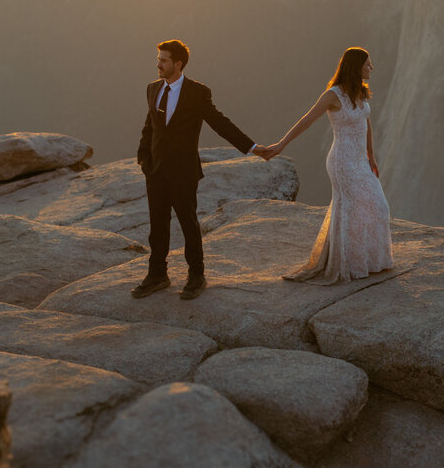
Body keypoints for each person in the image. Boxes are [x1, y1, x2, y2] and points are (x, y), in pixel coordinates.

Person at [133, 39, 261, 300]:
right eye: (158, 58)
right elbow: (150, 127)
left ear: (177, 64)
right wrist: (143, 159)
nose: (158, 64)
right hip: (155, 171)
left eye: (163, 60)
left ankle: (196, 275)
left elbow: (220, 124)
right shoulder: (152, 89)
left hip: (183, 172)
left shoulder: (197, 92)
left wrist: (252, 147)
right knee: (157, 226)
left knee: (188, 224)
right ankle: (157, 274)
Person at [258, 47, 393, 284]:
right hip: (342, 161)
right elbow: (306, 120)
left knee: (378, 206)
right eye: (368, 64)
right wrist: (281, 145)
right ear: (356, 66)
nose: (371, 67)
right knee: (351, 209)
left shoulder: (360, 91)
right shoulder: (333, 95)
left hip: (360, 160)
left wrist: (371, 156)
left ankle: (370, 261)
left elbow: (366, 122)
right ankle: (349, 264)